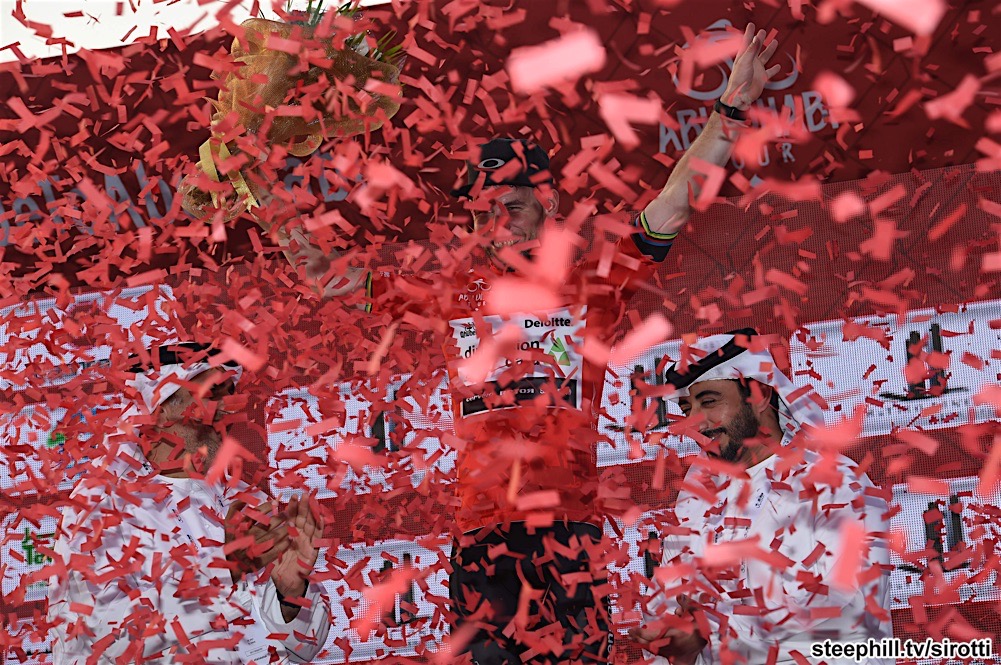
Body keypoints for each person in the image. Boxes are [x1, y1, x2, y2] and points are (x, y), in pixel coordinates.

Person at [255, 23, 786, 663]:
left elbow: (676, 202)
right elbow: (330, 279)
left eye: (508, 204)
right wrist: (273, 206)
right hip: (481, 544)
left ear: (548, 199)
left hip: (568, 538)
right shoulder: (449, 291)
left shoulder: (594, 280)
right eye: (482, 209)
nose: (494, 219)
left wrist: (731, 107)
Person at [47, 343, 331, 663]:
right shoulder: (100, 506)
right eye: (212, 395)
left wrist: (290, 594)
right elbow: (102, 638)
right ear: (162, 406)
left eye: (230, 395)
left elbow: (302, 650)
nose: (228, 409)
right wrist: (225, 569)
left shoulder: (250, 503)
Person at [629, 330, 893, 664]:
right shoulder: (695, 505)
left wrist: (712, 627)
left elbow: (847, 610)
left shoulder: (839, 485)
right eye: (687, 408)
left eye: (709, 402)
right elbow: (667, 616)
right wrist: (677, 648)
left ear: (760, 395)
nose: (696, 423)